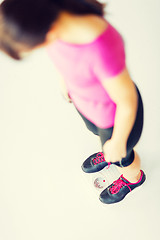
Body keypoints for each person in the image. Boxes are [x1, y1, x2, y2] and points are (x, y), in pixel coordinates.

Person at [0, 0, 146, 204]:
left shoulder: (101, 49)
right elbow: (65, 59)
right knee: (99, 135)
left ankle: (133, 178)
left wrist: (119, 142)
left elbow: (127, 100)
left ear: (48, 32)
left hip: (116, 119)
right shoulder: (56, 27)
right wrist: (65, 80)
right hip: (88, 106)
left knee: (123, 158)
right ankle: (107, 149)